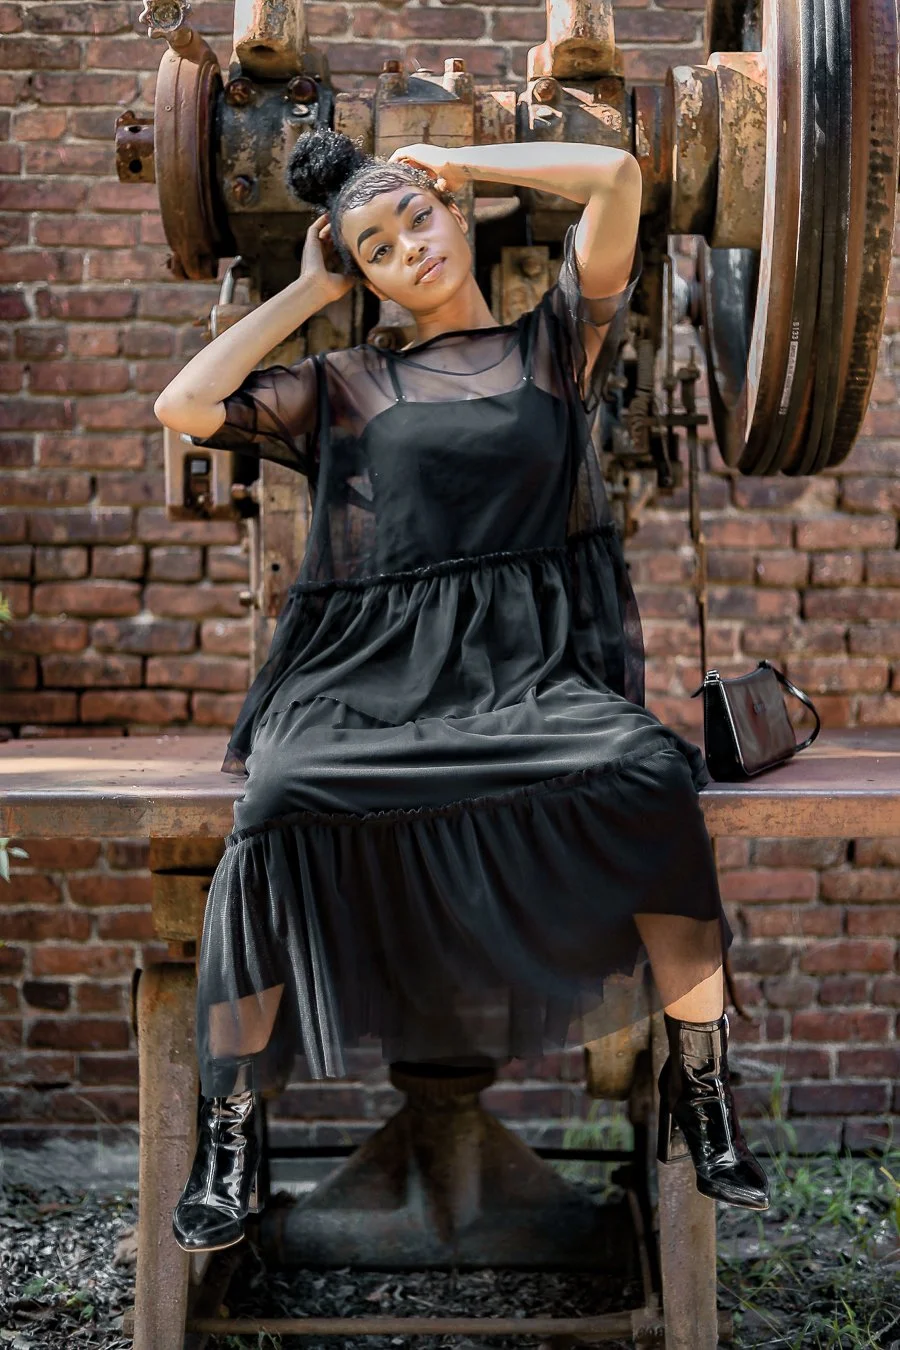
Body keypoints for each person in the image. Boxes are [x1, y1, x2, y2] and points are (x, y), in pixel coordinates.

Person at [154, 126, 770, 1255]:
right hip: (373, 682)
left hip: (530, 674)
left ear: (457, 215)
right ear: (364, 274)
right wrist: (306, 289)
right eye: (378, 247)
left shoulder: (554, 346)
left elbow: (619, 179)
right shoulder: (348, 383)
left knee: (642, 772)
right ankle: (231, 1135)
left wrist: (461, 159)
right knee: (277, 799)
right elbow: (186, 408)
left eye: (418, 220)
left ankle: (706, 1098)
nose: (410, 249)